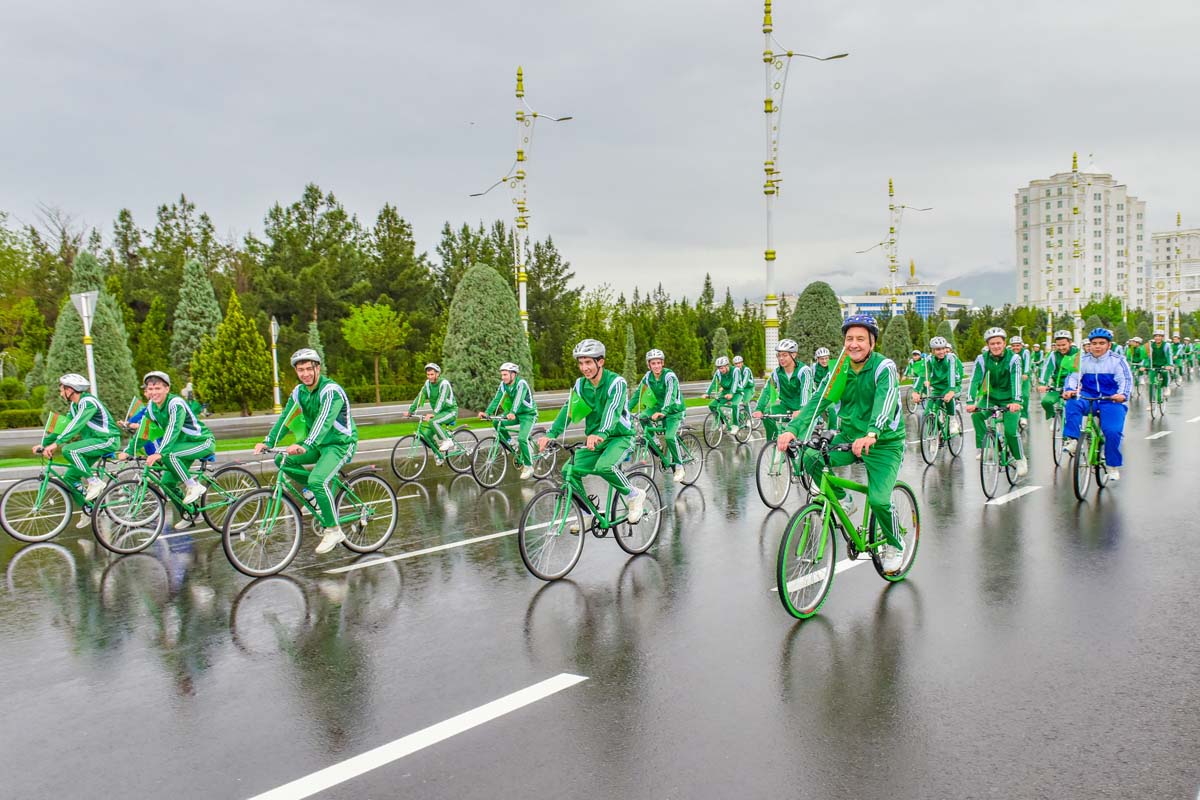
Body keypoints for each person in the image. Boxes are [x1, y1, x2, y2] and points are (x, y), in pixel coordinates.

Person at [777, 315, 906, 573]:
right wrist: (792, 430)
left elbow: (887, 400)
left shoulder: (884, 367)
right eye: (849, 339)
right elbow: (818, 402)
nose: (854, 344)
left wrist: (872, 432)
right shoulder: (840, 368)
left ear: (872, 342)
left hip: (883, 443)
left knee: (880, 501)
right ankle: (843, 499)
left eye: (860, 339)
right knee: (810, 457)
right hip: (848, 436)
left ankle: (895, 543)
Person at [256, 349, 357, 553]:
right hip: (317, 445)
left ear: (317, 368)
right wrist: (268, 441)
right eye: (300, 370)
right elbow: (286, 419)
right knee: (283, 461)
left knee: (317, 480)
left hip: (340, 444)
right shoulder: (299, 392)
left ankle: (334, 529)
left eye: (309, 369)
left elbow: (324, 422)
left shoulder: (331, 391)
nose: (305, 374)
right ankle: (313, 494)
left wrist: (306, 444)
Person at [539, 339, 646, 523]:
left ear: (601, 362)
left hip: (619, 437)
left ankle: (634, 494)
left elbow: (612, 411)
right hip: (596, 439)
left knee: (604, 467)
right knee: (568, 471)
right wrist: (551, 434)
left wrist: (601, 433)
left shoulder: (616, 383)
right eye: (581, 363)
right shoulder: (581, 385)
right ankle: (588, 513)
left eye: (588, 362)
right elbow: (569, 411)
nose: (584, 368)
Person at [32, 373, 122, 528]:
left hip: (107, 440)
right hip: (92, 443)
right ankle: (88, 508)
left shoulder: (88, 402)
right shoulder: (75, 406)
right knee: (70, 478)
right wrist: (44, 443)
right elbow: (65, 426)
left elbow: (76, 425)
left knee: (69, 450)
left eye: (62, 389)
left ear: (70, 390)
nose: (60, 393)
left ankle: (95, 482)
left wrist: (57, 444)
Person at [142, 371, 216, 525]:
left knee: (168, 455)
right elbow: (145, 430)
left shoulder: (175, 403)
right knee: (167, 483)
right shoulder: (151, 407)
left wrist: (160, 452)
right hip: (179, 447)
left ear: (167, 389)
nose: (153, 392)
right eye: (150, 389)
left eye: (157, 388)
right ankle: (190, 514)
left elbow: (173, 428)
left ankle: (193, 486)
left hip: (201, 442)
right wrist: (128, 451)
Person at [1062, 328, 1132, 482]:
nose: (1097, 346)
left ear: (1109, 345)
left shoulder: (1118, 361)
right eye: (1094, 343)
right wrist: (1069, 390)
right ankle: (1073, 440)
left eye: (1101, 343)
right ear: (1089, 345)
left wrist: (1122, 395)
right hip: (1088, 397)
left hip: (1111, 400)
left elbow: (1125, 380)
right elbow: (1072, 377)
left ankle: (1112, 466)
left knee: (1112, 431)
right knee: (1072, 404)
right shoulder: (1083, 361)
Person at [966, 327, 1027, 477]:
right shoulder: (982, 359)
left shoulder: (1014, 358)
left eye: (998, 343)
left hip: (1010, 400)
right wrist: (970, 401)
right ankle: (984, 447)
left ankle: (1020, 459)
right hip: (990, 398)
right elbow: (975, 380)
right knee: (977, 415)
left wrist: (1016, 401)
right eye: (992, 344)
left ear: (1004, 343)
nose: (996, 346)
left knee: (1010, 431)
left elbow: (1016, 380)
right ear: (988, 345)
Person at [629, 348, 687, 482]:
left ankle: (679, 466)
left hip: (674, 410)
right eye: (653, 363)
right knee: (642, 416)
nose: (656, 366)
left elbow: (670, 395)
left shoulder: (669, 376)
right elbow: (638, 394)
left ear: (663, 363)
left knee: (669, 436)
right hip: (657, 407)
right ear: (649, 365)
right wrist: (625, 410)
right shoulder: (647, 377)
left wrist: (664, 411)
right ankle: (655, 441)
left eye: (658, 363)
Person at [478, 361, 538, 480]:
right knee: (496, 422)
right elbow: (497, 399)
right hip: (513, 413)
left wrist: (512, 412)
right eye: (502, 375)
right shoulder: (503, 384)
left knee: (522, 438)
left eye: (505, 375)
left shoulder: (521, 383)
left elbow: (518, 399)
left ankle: (528, 466)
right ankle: (511, 442)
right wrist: (487, 412)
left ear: (513, 374)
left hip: (528, 414)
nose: (503, 377)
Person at [752, 338, 813, 440]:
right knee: (767, 414)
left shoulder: (804, 371)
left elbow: (806, 391)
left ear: (793, 355)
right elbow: (767, 390)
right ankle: (774, 442)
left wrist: (802, 409)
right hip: (786, 406)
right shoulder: (776, 373)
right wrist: (759, 409)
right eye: (779, 355)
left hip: (805, 408)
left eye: (784, 355)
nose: (781, 358)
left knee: (802, 442)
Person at [912, 336, 963, 433]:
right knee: (927, 413)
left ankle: (952, 420)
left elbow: (951, 375)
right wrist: (915, 391)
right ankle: (936, 433)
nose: (942, 351)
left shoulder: (950, 358)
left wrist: (951, 390)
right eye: (938, 349)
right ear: (933, 350)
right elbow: (923, 375)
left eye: (943, 348)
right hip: (937, 389)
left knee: (948, 398)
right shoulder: (929, 360)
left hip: (951, 386)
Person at [409, 363, 458, 460]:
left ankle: (448, 440)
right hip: (439, 413)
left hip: (450, 411)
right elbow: (420, 397)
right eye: (428, 375)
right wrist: (411, 410)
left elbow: (441, 400)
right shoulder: (427, 384)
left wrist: (434, 414)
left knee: (433, 421)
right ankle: (439, 455)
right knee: (426, 435)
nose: (430, 377)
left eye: (432, 374)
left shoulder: (444, 383)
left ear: (437, 374)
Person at [1038, 331, 1078, 419]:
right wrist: (1042, 384)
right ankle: (1054, 417)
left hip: (1074, 388)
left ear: (1070, 343)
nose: (1061, 348)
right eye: (1058, 345)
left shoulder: (1077, 353)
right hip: (1058, 385)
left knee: (1075, 408)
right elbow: (1047, 369)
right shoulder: (1053, 354)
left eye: (1063, 345)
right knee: (1046, 402)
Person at [705, 356, 742, 434]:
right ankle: (722, 422)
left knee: (734, 405)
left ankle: (735, 425)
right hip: (725, 392)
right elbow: (713, 383)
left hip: (737, 391)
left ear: (727, 366)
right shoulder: (718, 372)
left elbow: (735, 383)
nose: (721, 370)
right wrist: (707, 393)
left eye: (722, 368)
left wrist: (731, 393)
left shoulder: (736, 370)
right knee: (712, 405)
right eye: (719, 368)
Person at [1009, 336, 1034, 429]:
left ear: (1021, 345)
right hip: (1013, 376)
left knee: (1024, 395)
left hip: (1023, 376)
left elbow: (1027, 363)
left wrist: (1026, 373)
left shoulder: (1025, 352)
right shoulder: (1009, 353)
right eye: (1013, 346)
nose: (1015, 348)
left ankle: (1024, 416)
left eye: (1018, 345)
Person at [811, 347, 838, 428]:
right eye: (822, 359)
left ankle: (832, 430)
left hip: (830, 393)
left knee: (831, 409)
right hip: (818, 393)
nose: (824, 361)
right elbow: (810, 382)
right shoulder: (813, 368)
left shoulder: (833, 366)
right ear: (817, 359)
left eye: (826, 358)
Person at [1145, 331, 1174, 400]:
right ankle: (1151, 402)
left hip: (1164, 365)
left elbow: (1169, 355)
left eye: (1159, 336)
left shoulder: (1166, 345)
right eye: (1156, 336)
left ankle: (1166, 387)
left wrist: (1169, 364)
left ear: (1162, 337)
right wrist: (1145, 365)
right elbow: (1148, 357)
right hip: (1154, 365)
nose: (1157, 338)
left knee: (1165, 373)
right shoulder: (1151, 345)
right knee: (1151, 383)